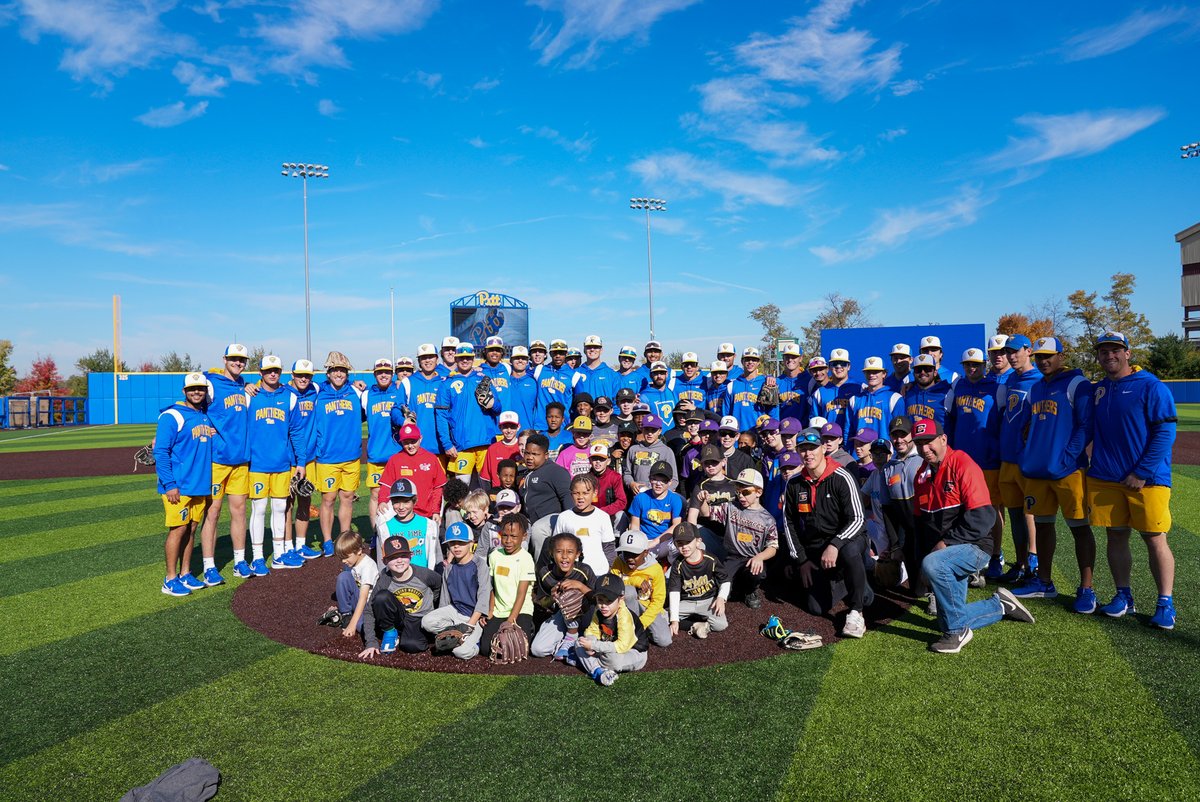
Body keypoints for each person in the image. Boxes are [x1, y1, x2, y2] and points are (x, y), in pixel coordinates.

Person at [909, 418, 1036, 653]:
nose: (924, 449)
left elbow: (983, 518)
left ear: (943, 439)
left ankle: (957, 634)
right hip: (947, 553)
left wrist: (944, 545)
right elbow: (921, 524)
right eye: (919, 444)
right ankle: (1000, 605)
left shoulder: (963, 464)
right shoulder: (921, 475)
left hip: (976, 546)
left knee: (935, 568)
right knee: (946, 620)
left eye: (929, 442)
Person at [1088, 331, 1179, 629]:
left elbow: (1165, 432)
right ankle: (1123, 595)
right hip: (1107, 478)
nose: (1109, 355)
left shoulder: (1151, 386)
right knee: (1115, 536)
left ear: (1127, 353)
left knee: (1154, 539)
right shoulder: (1099, 389)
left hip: (1147, 480)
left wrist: (1143, 471)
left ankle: (1165, 602)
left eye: (1115, 350)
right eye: (1103, 351)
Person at [1012, 336, 1097, 614]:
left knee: (1079, 528)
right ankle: (1045, 582)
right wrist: (1030, 454)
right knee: (1044, 525)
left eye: (1049, 355)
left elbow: (1086, 426)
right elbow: (1028, 426)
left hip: (1068, 471)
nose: (1043, 360)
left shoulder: (1077, 383)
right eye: (1039, 356)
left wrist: (1067, 456)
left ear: (1061, 355)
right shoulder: (1036, 388)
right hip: (1038, 471)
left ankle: (1086, 588)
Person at [781, 429, 869, 638]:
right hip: (816, 548)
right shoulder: (794, 483)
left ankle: (857, 612)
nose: (807, 454)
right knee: (815, 608)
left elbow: (858, 519)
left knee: (849, 553)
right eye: (802, 449)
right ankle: (846, 582)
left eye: (812, 448)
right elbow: (789, 523)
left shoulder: (842, 476)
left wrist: (835, 544)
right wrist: (802, 560)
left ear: (823, 449)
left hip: (848, 540)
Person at [944, 348, 1004, 578]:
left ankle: (995, 555)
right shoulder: (957, 387)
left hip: (988, 460)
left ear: (984, 366)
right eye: (968, 364)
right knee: (962, 510)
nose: (972, 368)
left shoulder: (996, 388)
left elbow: (1004, 423)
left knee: (991, 510)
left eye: (976, 365)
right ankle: (965, 554)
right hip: (961, 460)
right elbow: (949, 420)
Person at [154, 372, 214, 596]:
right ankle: (169, 579)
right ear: (184, 391)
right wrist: (169, 484)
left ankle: (185, 573)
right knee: (178, 529)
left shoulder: (203, 415)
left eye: (200, 388)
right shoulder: (172, 415)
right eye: (192, 389)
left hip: (198, 485)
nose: (197, 392)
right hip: (178, 486)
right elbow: (161, 451)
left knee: (191, 529)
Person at [247, 355, 308, 574]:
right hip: (257, 463)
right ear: (260, 373)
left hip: (282, 463)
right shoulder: (250, 396)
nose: (272, 374)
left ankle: (280, 554)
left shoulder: (289, 397)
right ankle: (257, 557)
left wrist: (301, 461)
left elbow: (296, 431)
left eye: (276, 371)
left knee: (281, 507)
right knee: (260, 508)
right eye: (268, 371)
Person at [199, 344, 253, 583]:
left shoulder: (243, 385)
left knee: (239, 512)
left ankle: (239, 561)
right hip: (217, 460)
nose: (237, 363)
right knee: (213, 513)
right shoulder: (210, 382)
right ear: (224, 359)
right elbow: (193, 403)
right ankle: (209, 565)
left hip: (240, 460)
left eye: (241, 360)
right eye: (233, 359)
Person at [694, 468, 778, 610]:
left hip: (752, 558)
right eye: (738, 492)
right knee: (721, 587)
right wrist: (702, 501)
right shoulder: (731, 507)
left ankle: (750, 591)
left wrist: (760, 557)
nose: (741, 497)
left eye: (746, 492)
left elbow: (773, 547)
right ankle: (735, 584)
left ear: (759, 492)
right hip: (732, 557)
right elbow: (706, 512)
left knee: (757, 572)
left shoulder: (767, 519)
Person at [996, 334, 1042, 583]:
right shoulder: (1010, 379)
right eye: (1008, 352)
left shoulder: (1039, 380)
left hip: (1026, 459)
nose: (1011, 356)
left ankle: (1034, 562)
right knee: (1014, 513)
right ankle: (1021, 562)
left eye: (1015, 351)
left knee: (1030, 513)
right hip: (1007, 457)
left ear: (1028, 350)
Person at [313, 351, 365, 557]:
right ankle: (327, 540)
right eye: (335, 370)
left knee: (347, 497)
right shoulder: (318, 392)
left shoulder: (356, 391)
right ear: (328, 372)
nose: (339, 374)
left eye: (342, 370)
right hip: (327, 458)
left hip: (351, 456)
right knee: (328, 499)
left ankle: (344, 537)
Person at [360, 536, 442, 656]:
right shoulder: (384, 580)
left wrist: (433, 606)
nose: (399, 561)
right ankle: (390, 632)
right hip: (400, 617)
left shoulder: (424, 574)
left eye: (403, 556)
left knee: (412, 646)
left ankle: (404, 635)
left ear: (411, 555)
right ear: (384, 561)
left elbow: (440, 587)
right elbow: (369, 610)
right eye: (393, 557)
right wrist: (371, 642)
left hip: (420, 619)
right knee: (381, 597)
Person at [421, 522, 491, 660]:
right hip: (455, 611)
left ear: (471, 543)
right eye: (452, 543)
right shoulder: (449, 568)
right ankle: (455, 632)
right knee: (426, 621)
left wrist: (470, 625)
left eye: (461, 542)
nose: (456, 546)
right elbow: (445, 599)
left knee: (460, 652)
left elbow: (484, 597)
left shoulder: (480, 565)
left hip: (474, 617)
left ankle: (474, 644)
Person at [435, 343, 504, 484]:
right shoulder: (447, 383)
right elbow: (441, 416)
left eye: (468, 357)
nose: (465, 361)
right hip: (461, 445)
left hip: (486, 442)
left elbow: (498, 409)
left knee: (488, 488)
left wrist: (493, 404)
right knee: (462, 490)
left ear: (473, 359)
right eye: (461, 358)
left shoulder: (484, 379)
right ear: (456, 359)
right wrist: (447, 444)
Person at [531, 531, 597, 661]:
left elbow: (598, 598)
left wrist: (580, 586)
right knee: (537, 649)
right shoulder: (545, 572)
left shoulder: (585, 570)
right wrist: (552, 598)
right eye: (559, 551)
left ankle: (572, 638)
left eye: (570, 552)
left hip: (588, 614)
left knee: (570, 593)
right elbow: (540, 603)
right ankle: (566, 642)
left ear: (577, 554)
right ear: (551, 553)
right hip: (561, 615)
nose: (565, 556)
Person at [574, 573, 649, 687]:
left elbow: (621, 646)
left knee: (613, 660)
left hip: (634, 653)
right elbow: (592, 630)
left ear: (621, 598)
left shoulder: (625, 617)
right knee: (579, 642)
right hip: (607, 648)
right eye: (600, 600)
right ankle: (599, 672)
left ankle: (590, 664)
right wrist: (589, 641)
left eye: (608, 601)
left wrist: (594, 646)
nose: (603, 605)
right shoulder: (598, 611)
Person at [480, 513, 536, 658]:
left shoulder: (526, 558)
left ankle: (529, 628)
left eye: (514, 536)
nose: (508, 541)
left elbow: (522, 593)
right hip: (499, 610)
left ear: (523, 536)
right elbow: (492, 587)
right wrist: (490, 610)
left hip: (520, 610)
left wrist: (511, 620)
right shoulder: (494, 556)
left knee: (516, 648)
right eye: (504, 536)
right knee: (486, 649)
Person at [285, 359, 322, 561]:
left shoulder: (314, 389)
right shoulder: (284, 393)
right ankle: (287, 546)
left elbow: (336, 382)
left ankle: (301, 544)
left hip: (308, 457)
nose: (303, 378)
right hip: (288, 458)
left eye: (307, 375)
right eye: (300, 375)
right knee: (287, 504)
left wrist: (358, 384)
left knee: (305, 500)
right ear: (292, 375)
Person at [667, 523, 730, 639]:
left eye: (688, 542)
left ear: (698, 541)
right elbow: (674, 591)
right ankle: (695, 625)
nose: (684, 547)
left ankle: (701, 619)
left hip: (708, 600)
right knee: (664, 617)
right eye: (679, 543)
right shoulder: (678, 564)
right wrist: (675, 620)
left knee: (721, 625)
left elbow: (725, 580)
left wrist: (721, 598)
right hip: (687, 602)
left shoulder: (710, 559)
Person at [363, 357, 406, 526]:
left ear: (392, 374)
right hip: (376, 455)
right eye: (380, 372)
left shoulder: (399, 391)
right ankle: (375, 532)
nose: (383, 375)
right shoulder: (366, 395)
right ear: (374, 374)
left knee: (402, 494)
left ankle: (400, 528)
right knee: (375, 494)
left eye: (387, 372)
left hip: (397, 453)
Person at [376, 422, 447, 523]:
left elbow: (438, 488)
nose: (410, 446)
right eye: (406, 442)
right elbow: (386, 486)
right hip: (403, 509)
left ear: (420, 439)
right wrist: (382, 501)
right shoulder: (395, 459)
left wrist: (435, 510)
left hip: (427, 510)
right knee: (382, 515)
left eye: (413, 441)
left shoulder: (431, 458)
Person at [610, 530, 672, 646]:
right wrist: (635, 580)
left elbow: (658, 600)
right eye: (626, 553)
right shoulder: (619, 561)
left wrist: (642, 622)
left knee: (664, 641)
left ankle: (640, 630)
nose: (629, 558)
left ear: (646, 552)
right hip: (625, 607)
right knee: (628, 591)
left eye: (634, 554)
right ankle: (627, 628)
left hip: (647, 607)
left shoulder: (655, 569)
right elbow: (613, 584)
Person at [552, 473, 617, 574]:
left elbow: (609, 547)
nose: (580, 497)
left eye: (585, 493)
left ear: (594, 493)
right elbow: (556, 545)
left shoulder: (603, 517)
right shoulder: (564, 517)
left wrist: (610, 568)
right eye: (576, 493)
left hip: (599, 572)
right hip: (572, 573)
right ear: (571, 494)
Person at [375, 478, 438, 570]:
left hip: (424, 579)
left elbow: (437, 555)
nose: (401, 507)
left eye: (406, 502)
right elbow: (382, 562)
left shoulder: (429, 525)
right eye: (396, 502)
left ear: (415, 501)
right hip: (397, 581)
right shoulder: (384, 528)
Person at [627, 460, 685, 561]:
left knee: (678, 545)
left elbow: (676, 525)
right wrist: (639, 543)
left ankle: (672, 570)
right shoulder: (640, 498)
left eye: (663, 481)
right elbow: (634, 525)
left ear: (670, 482)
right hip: (644, 539)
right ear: (649, 479)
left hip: (664, 540)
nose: (659, 484)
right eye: (655, 479)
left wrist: (655, 542)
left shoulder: (675, 499)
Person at [328, 529, 378, 639]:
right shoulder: (353, 562)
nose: (343, 561)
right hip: (358, 599)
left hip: (368, 606)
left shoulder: (368, 566)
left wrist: (352, 625)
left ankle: (353, 619)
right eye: (341, 558)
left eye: (346, 557)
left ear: (359, 551)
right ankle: (346, 614)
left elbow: (364, 597)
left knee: (363, 627)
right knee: (343, 577)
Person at [848, 356, 904, 445]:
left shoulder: (894, 398)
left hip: (884, 452)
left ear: (884, 374)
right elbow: (849, 430)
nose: (871, 375)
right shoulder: (854, 399)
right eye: (868, 372)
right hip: (859, 454)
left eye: (875, 372)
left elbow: (899, 431)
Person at [520, 433, 572, 526]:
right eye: (527, 453)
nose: (529, 458)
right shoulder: (524, 472)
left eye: (535, 454)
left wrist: (567, 525)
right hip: (528, 524)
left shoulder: (556, 471)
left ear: (546, 455)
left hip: (549, 526)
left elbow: (567, 499)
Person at [404, 343, 445, 455]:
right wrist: (403, 421)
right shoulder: (408, 382)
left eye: (431, 357)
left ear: (437, 359)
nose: (427, 361)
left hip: (440, 446)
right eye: (423, 358)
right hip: (416, 446)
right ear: (419, 361)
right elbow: (397, 408)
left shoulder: (444, 382)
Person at [623, 414, 678, 494]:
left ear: (659, 431)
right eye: (647, 429)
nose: (649, 433)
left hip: (659, 498)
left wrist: (662, 493)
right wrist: (631, 483)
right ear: (642, 429)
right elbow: (627, 473)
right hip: (638, 496)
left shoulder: (666, 451)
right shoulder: (633, 449)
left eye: (653, 430)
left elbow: (674, 479)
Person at [724, 347, 775, 432]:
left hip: (760, 433)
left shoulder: (766, 383)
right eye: (747, 359)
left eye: (754, 360)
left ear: (758, 362)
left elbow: (773, 412)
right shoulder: (732, 385)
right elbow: (726, 414)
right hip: (737, 435)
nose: (750, 362)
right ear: (742, 361)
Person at [534, 339, 574, 430]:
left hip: (562, 426)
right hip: (541, 425)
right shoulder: (539, 370)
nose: (558, 356)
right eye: (555, 353)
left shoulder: (574, 375)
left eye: (561, 353)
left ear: (566, 354)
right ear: (550, 354)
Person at [904, 354, 952, 428]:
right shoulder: (907, 393)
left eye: (927, 369)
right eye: (918, 370)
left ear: (935, 372)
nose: (922, 372)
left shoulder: (947, 393)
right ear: (913, 374)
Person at [480, 411, 522, 488]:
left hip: (518, 492)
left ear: (518, 427)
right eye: (505, 427)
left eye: (513, 427)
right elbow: (485, 478)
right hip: (497, 492)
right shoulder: (493, 449)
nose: (509, 431)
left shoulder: (522, 447)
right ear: (500, 427)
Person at [572, 334, 619, 401]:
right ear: (584, 350)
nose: (592, 349)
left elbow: (616, 402)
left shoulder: (612, 375)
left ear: (601, 350)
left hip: (603, 411)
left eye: (596, 347)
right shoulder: (575, 373)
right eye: (589, 347)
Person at [588, 443, 627, 521]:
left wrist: (602, 512)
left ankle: (616, 534)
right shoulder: (586, 478)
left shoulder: (615, 477)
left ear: (608, 461)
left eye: (602, 459)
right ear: (590, 461)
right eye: (594, 459)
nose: (598, 462)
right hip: (590, 515)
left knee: (620, 515)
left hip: (609, 514)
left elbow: (622, 501)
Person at [506, 346, 539, 434]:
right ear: (511, 360)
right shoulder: (504, 380)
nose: (520, 361)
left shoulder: (534, 381)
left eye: (524, 358)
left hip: (527, 430)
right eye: (517, 358)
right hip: (506, 430)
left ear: (527, 361)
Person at [776, 342, 810, 425]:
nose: (790, 360)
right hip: (782, 431)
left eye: (794, 357)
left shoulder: (809, 380)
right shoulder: (777, 382)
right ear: (783, 358)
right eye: (787, 357)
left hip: (803, 431)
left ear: (801, 358)